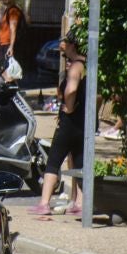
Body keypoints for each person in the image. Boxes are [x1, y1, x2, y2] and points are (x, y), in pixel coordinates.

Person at [35, 36, 88, 218]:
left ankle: (44, 203)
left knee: (53, 160)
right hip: (83, 122)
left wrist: (70, 106)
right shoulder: (88, 66)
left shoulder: (75, 67)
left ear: (73, 44)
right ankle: (79, 203)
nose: (60, 43)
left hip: (70, 122)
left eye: (64, 41)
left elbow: (71, 90)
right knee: (79, 161)